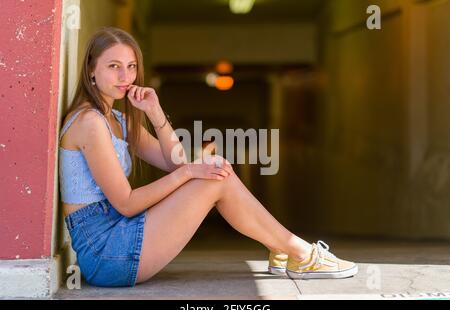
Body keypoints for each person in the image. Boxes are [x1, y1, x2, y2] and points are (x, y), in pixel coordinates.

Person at [59, 27, 358, 288]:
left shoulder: (118, 120)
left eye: (132, 66)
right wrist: (189, 174)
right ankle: (299, 253)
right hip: (105, 253)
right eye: (114, 66)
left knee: (215, 171)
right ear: (91, 70)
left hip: (117, 238)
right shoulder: (90, 123)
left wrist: (154, 111)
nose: (126, 77)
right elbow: (126, 203)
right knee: (214, 178)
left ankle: (285, 250)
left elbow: (175, 161)